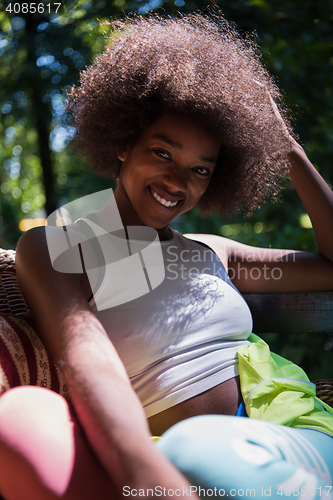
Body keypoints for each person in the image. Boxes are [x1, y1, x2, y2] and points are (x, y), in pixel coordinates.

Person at [0, 11, 332, 500]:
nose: (178, 182)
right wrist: (149, 474)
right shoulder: (58, 247)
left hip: (287, 436)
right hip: (162, 463)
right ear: (123, 143)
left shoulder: (215, 253)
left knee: (195, 450)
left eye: (201, 169)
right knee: (26, 424)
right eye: (162, 153)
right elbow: (85, 357)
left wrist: (288, 151)